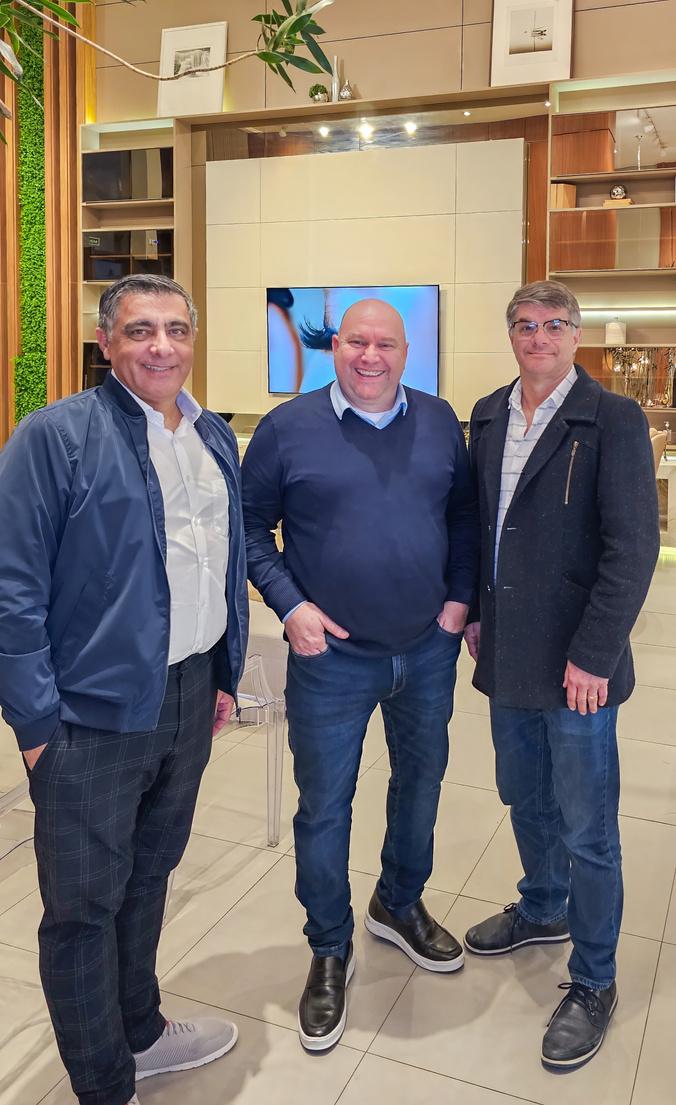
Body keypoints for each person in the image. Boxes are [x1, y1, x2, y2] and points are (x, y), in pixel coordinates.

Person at [0, 274, 249, 1105]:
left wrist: (222, 673)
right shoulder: (54, 436)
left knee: (149, 875)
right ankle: (104, 1084)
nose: (161, 345)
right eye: (140, 330)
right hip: (90, 714)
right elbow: (12, 587)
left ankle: (138, 1029)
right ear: (105, 342)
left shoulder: (212, 436)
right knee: (83, 909)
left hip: (188, 694)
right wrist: (37, 726)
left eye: (176, 328)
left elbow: (218, 565)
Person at [241, 298, 479, 1051]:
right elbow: (248, 528)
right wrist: (290, 606)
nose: (370, 356)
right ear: (334, 347)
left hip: (427, 649)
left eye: (385, 344)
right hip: (330, 659)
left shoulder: (439, 421)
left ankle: (398, 903)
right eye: (356, 342)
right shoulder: (286, 428)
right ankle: (328, 945)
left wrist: (459, 599)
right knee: (325, 807)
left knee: (421, 782)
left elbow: (463, 517)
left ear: (407, 352)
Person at [462, 280, 660, 1071]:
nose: (537, 336)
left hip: (579, 664)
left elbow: (632, 548)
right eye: (524, 324)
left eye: (553, 324)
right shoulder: (487, 414)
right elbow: (478, 525)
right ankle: (544, 904)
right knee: (523, 792)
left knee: (588, 826)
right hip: (508, 651)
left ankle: (594, 977)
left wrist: (596, 652)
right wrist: (475, 609)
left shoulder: (611, 419)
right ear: (510, 334)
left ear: (576, 335)